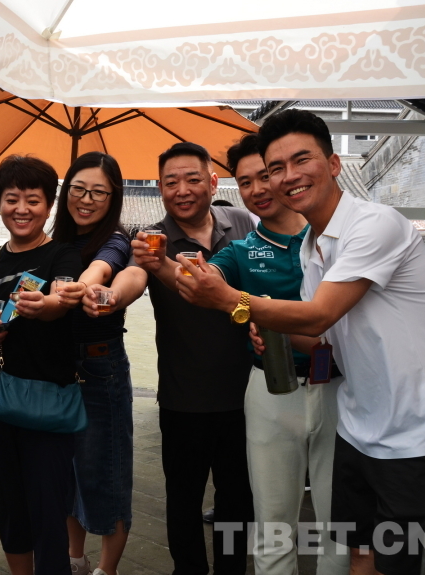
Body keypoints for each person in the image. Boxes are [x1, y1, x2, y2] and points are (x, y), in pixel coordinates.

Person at [177, 109, 425, 575]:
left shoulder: (374, 223)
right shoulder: (311, 248)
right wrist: (267, 328)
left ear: (335, 163)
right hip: (358, 428)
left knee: (396, 561)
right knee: (358, 552)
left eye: (300, 160)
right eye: (275, 168)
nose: (286, 177)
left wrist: (231, 301)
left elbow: (322, 311)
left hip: (413, 435)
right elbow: (319, 336)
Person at [162, 133, 348, 574]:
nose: (259, 189)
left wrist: (253, 311)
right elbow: (206, 287)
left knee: (338, 524)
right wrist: (246, 311)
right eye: (245, 183)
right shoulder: (243, 250)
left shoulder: (339, 239)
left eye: (266, 175)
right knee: (273, 524)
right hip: (272, 388)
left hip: (342, 389)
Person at [131, 142, 255, 575]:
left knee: (238, 499)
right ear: (159, 187)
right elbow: (131, 277)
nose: (181, 190)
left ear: (213, 181)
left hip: (246, 395)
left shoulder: (242, 221)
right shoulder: (151, 240)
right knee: (182, 498)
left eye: (192, 179)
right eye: (170, 182)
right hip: (184, 398)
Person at [0, 154, 82, 574]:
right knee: (8, 497)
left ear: (49, 205)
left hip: (46, 394)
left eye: (33, 200)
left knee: (48, 501)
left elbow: (61, 304)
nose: (21, 209)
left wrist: (41, 305)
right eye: (11, 198)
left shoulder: (64, 256)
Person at [50, 152, 133, 575]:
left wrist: (77, 289)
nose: (87, 199)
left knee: (107, 472)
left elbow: (103, 270)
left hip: (101, 371)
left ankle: (107, 570)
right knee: (65, 475)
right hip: (59, 370)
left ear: (113, 197)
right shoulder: (55, 239)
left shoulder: (115, 238)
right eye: (79, 189)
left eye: (99, 191)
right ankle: (75, 560)